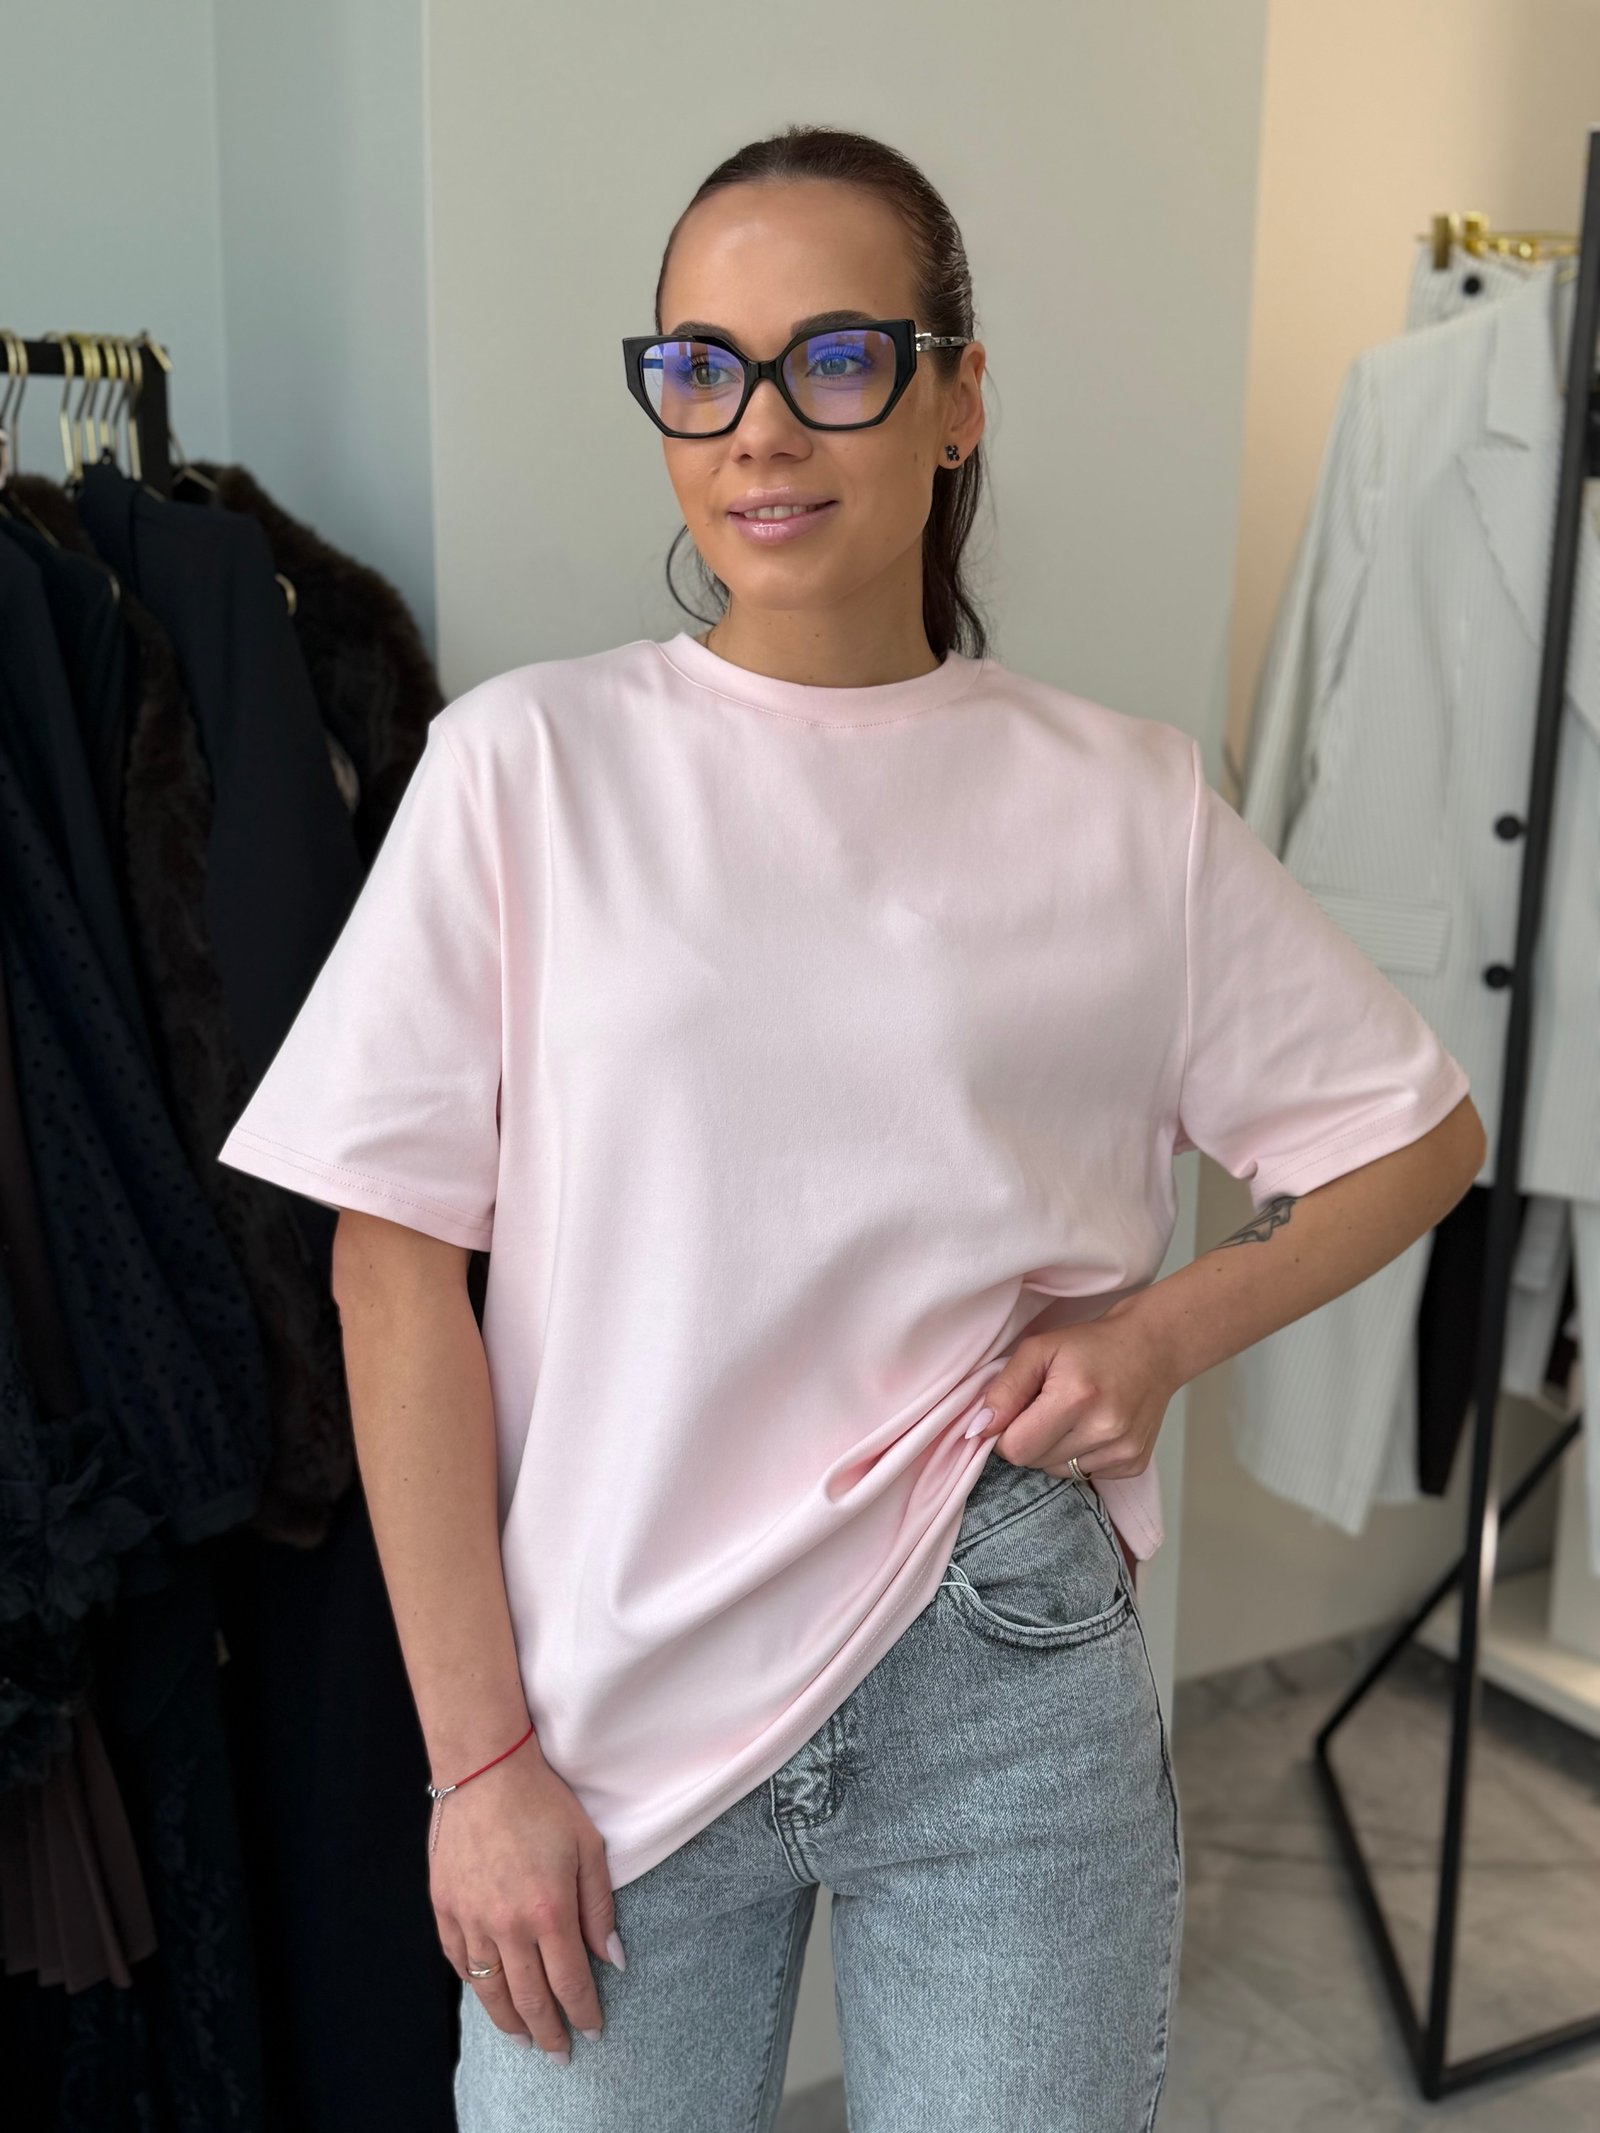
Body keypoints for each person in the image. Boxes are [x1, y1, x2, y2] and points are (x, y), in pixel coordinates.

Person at [217, 123, 1485, 2131]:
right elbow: (392, 1277)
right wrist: (476, 1762)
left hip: (1005, 1656)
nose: (758, 426)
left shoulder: (1122, 801)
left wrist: (1162, 1333)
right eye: (699, 366)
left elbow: (1413, 1133)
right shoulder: (523, 768)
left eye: (834, 356)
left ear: (956, 396)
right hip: (599, 1703)